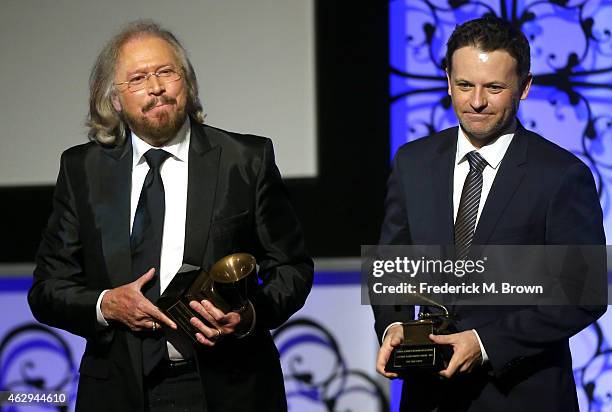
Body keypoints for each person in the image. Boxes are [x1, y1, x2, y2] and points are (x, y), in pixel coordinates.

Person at [28, 20, 313, 412]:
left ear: (187, 83)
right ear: (114, 99)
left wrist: (248, 315)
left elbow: (292, 268)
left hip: (230, 389)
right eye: (138, 78)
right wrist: (105, 304)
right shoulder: (83, 171)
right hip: (119, 393)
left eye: (166, 72)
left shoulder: (244, 160)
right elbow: (47, 290)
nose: (156, 87)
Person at [373, 16, 606, 411]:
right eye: (464, 85)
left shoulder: (563, 175)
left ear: (525, 87)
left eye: (494, 87)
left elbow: (584, 294)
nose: (476, 101)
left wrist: (485, 344)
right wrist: (393, 326)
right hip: (430, 397)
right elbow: (394, 265)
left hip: (523, 396)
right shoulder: (413, 162)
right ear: (448, 80)